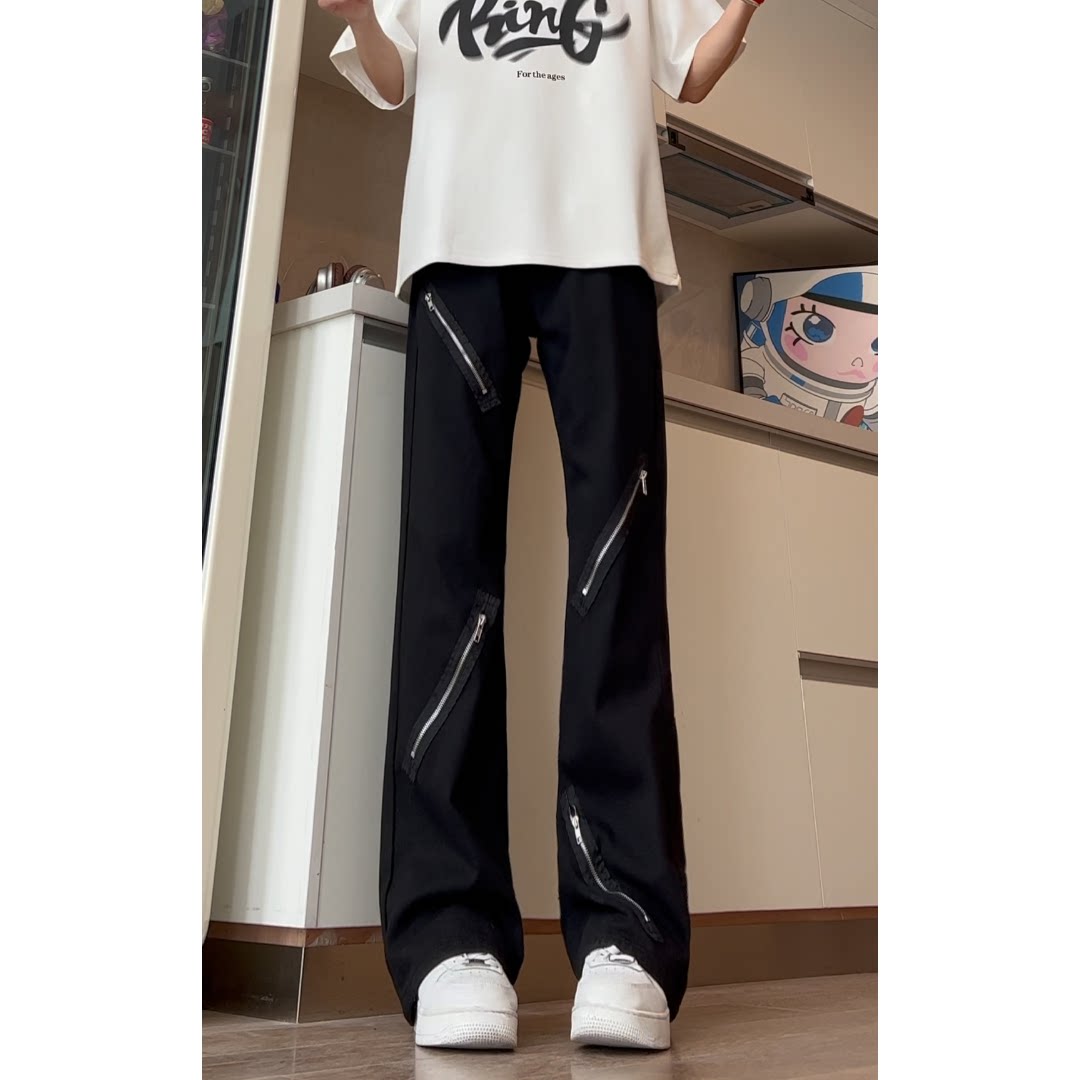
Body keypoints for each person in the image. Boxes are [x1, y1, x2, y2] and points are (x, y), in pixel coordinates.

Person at [318, 0, 764, 1052]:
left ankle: (628, 936)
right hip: (456, 235)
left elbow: (694, 70)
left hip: (607, 240)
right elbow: (390, 73)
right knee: (446, 571)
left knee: (618, 577)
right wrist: (358, 14)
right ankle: (449, 935)